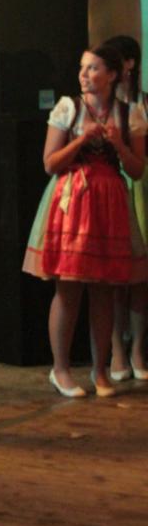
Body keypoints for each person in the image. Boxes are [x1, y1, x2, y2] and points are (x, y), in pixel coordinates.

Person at [23, 45, 147, 398]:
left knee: (104, 290)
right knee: (69, 287)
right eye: (82, 67)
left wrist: (118, 144)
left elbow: (137, 170)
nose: (84, 74)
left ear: (112, 75)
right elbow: (50, 163)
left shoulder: (129, 113)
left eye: (93, 68)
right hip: (73, 203)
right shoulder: (69, 108)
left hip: (110, 204)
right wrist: (81, 139)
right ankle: (60, 369)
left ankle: (101, 370)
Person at [98, 35, 148, 382]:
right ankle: (116, 350)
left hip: (141, 186)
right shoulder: (100, 106)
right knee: (116, 274)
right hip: (113, 186)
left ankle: (138, 349)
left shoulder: (141, 104)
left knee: (141, 274)